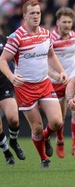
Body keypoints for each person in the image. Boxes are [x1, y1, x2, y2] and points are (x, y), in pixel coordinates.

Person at [0, 0, 68, 168]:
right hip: (25, 88)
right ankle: (44, 158)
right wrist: (11, 76)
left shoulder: (46, 33)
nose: (36, 16)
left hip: (44, 84)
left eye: (38, 13)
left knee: (57, 122)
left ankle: (45, 137)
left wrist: (61, 71)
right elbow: (2, 60)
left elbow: (51, 55)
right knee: (36, 128)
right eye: (32, 13)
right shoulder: (16, 37)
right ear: (24, 16)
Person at [49, 7, 75, 160]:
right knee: (61, 117)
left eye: (70, 22)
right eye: (64, 22)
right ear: (58, 22)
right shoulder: (50, 38)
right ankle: (60, 139)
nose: (67, 24)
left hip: (72, 79)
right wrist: (55, 75)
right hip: (54, 81)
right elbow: (43, 61)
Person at [0, 35, 26, 164]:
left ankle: (14, 141)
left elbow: (17, 58)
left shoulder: (6, 40)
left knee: (14, 119)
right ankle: (7, 153)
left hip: (4, 85)